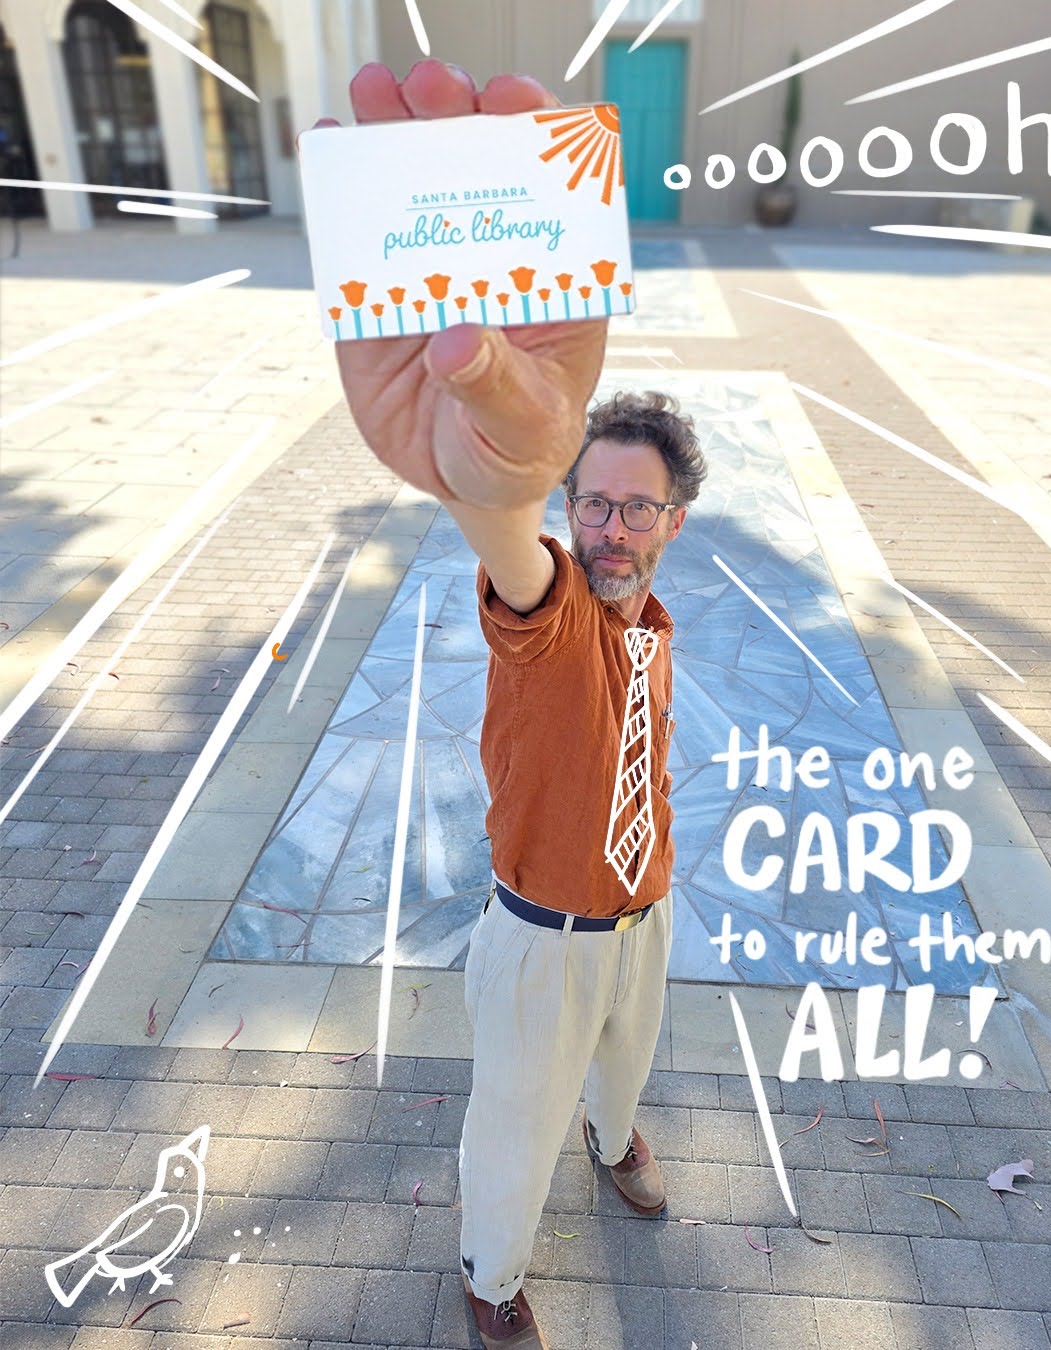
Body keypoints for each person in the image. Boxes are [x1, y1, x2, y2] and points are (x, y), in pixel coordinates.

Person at [326, 58, 707, 1350]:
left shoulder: (652, 623)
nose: (610, 526)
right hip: (545, 939)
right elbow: (517, 557)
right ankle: (491, 1279)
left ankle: (619, 1134)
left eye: (636, 506)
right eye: (592, 501)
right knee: (513, 1127)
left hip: (644, 912)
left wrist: (657, 868)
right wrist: (494, 490)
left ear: (673, 520)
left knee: (626, 1065)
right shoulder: (549, 609)